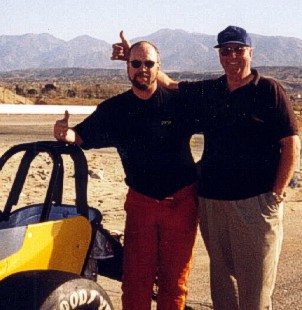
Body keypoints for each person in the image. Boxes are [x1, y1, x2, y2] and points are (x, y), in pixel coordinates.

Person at [112, 26, 301, 310]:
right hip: (212, 204)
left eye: (239, 50)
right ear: (220, 56)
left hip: (256, 204)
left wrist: (276, 195)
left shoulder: (269, 90)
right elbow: (169, 83)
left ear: (250, 52)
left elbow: (291, 144)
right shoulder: (212, 90)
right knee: (223, 288)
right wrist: (135, 58)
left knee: (256, 293)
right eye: (226, 51)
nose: (232, 56)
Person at [55, 41, 199, 310]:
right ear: (127, 68)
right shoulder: (116, 109)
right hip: (141, 203)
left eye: (148, 64)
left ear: (159, 67)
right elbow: (83, 135)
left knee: (174, 282)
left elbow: (220, 126)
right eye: (136, 64)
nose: (142, 69)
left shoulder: (180, 103)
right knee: (135, 280)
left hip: (181, 202)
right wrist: (66, 134)